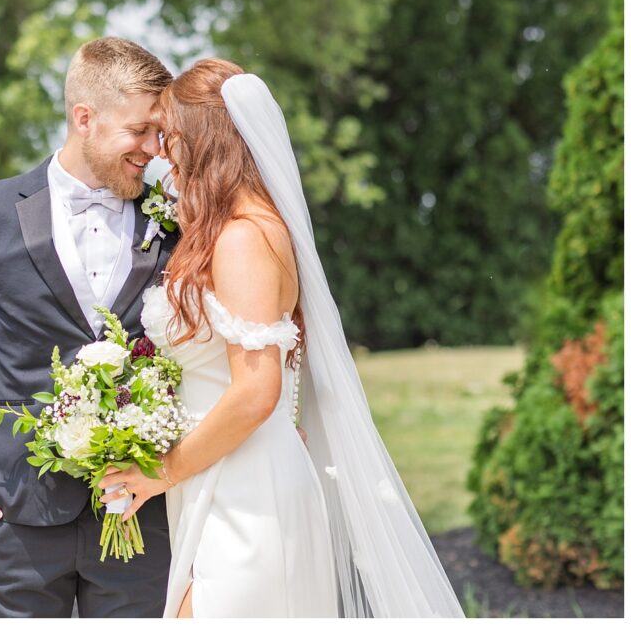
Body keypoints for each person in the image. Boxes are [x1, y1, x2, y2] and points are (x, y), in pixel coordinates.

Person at [99, 59, 466, 618]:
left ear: (206, 140)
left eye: (171, 136)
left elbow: (256, 391)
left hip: (250, 490)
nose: (163, 152)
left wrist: (160, 472)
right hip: (218, 475)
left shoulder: (246, 237)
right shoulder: (234, 229)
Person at [0, 37, 178, 617]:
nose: (154, 149)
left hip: (142, 511)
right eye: (140, 131)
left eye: (160, 133)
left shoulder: (173, 217)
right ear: (84, 119)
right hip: (11, 513)